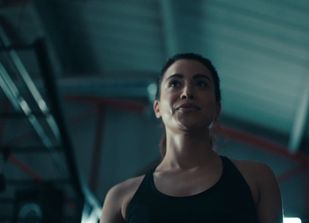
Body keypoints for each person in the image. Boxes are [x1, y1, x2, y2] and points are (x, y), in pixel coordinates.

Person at [100, 53, 283, 223]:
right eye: (174, 83)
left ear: (216, 108)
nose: (187, 92)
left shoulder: (257, 178)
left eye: (201, 84)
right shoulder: (120, 198)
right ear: (157, 108)